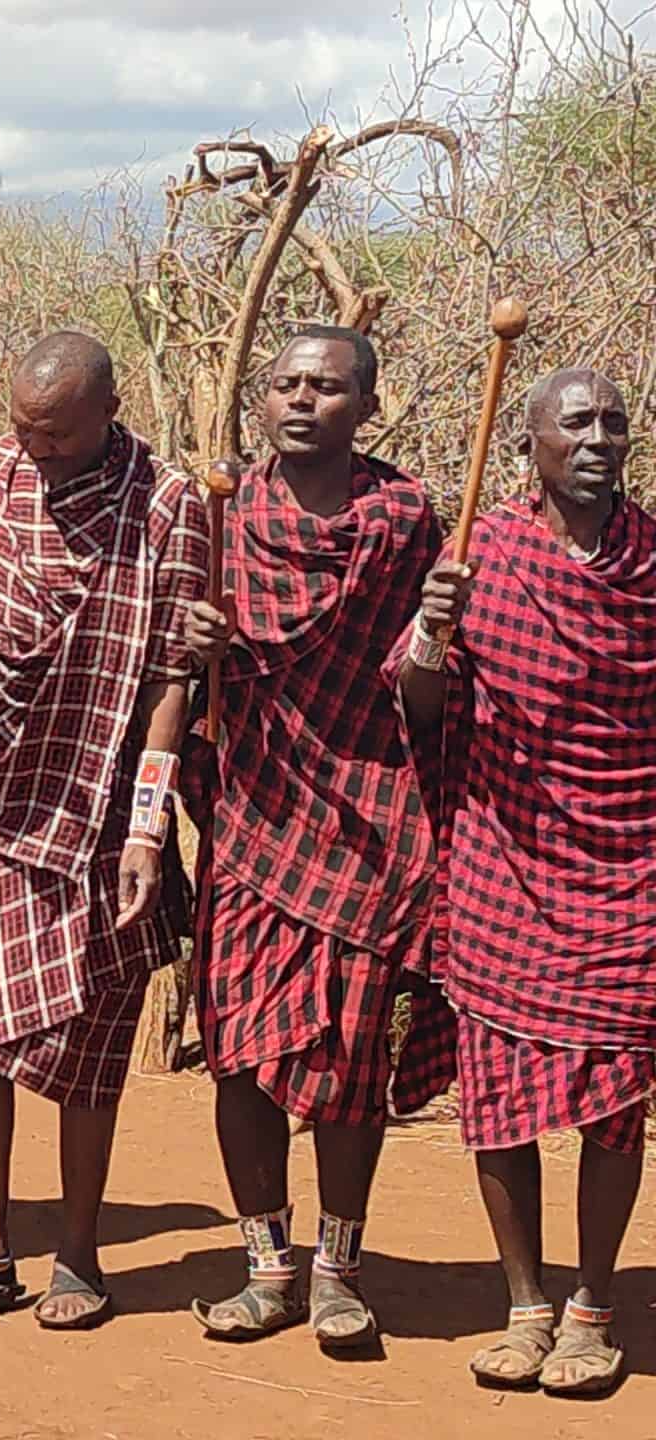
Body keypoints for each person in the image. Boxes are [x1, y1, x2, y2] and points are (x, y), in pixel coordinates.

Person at [0, 332, 206, 1330]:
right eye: (24, 429)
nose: (37, 450)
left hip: (104, 804)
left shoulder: (166, 503)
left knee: (89, 1035)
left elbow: (170, 677)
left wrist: (147, 829)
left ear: (109, 414)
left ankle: (78, 1256)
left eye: (57, 435)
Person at [182, 327, 440, 1350]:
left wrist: (434, 633)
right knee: (239, 1052)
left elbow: (427, 690)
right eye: (285, 384)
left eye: (326, 387)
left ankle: (337, 1269)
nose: (301, 400)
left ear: (366, 406)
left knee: (349, 1055)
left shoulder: (404, 520)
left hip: (370, 818)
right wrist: (194, 640)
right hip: (253, 812)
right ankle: (265, 1266)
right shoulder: (221, 513)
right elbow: (173, 676)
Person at [395, 368, 646, 1397]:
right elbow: (418, 706)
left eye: (613, 422)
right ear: (530, 444)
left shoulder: (650, 560)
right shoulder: (481, 555)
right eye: (575, 422)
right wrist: (432, 629)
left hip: (629, 858)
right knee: (498, 1094)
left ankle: (592, 1308)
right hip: (505, 853)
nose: (598, 438)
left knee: (617, 1093)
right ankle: (525, 1302)